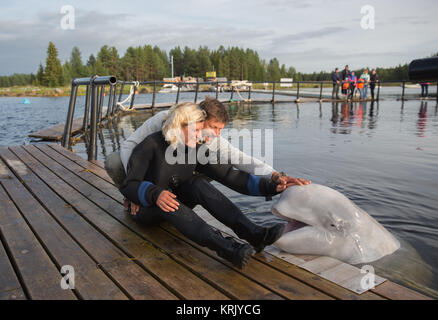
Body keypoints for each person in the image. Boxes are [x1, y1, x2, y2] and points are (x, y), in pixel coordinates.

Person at [119, 102, 291, 269]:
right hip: (147, 210)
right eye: (197, 130)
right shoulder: (150, 145)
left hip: (174, 205)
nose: (203, 136)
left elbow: (229, 174)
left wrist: (270, 186)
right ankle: (227, 248)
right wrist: (153, 194)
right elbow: (129, 185)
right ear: (180, 126)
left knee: (198, 183)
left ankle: (254, 234)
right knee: (167, 197)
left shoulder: (196, 148)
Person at [105, 97, 309, 213]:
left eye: (221, 130)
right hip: (147, 168)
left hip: (175, 172)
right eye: (214, 128)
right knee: (113, 162)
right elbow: (128, 146)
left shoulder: (212, 138)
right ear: (199, 120)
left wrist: (274, 175)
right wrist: (136, 188)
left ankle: (180, 201)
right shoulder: (162, 120)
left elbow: (239, 158)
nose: (217, 135)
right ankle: (133, 200)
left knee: (215, 166)